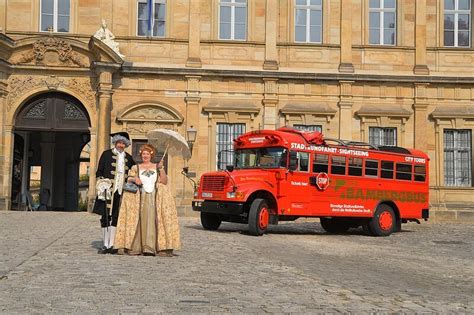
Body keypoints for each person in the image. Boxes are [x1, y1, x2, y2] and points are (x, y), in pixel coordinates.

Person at [114, 144, 181, 256]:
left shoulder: (157, 166)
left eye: (147, 154)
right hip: (139, 198)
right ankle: (137, 246)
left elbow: (164, 182)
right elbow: (129, 178)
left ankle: (151, 247)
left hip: (154, 198)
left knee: (153, 220)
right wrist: (135, 179)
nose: (145, 156)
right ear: (141, 155)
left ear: (151, 155)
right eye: (143, 154)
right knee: (139, 220)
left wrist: (161, 169)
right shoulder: (136, 167)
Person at [93, 132, 135, 254]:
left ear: (126, 144)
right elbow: (99, 171)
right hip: (107, 190)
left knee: (116, 217)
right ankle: (105, 244)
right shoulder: (106, 154)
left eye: (123, 143)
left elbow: (134, 171)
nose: (121, 145)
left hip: (121, 191)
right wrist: (101, 183)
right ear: (115, 142)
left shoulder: (129, 157)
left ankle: (112, 244)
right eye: (119, 142)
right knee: (105, 216)